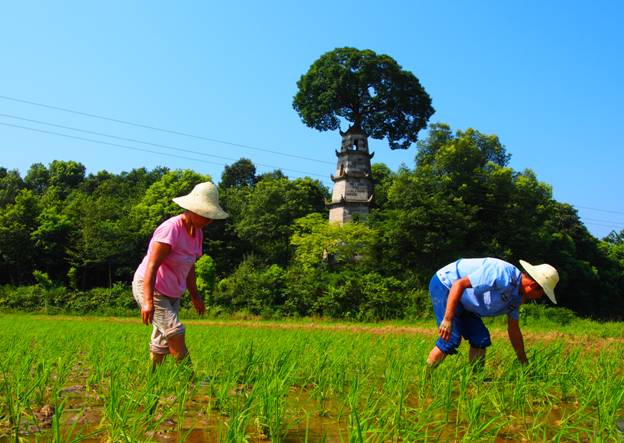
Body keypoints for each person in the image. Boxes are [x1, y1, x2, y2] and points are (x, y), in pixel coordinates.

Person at [132, 182, 229, 368]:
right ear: (191, 210)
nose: (208, 220)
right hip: (153, 287)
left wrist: (195, 296)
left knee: (162, 340)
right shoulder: (171, 229)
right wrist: (147, 301)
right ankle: (190, 383)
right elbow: (152, 265)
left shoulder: (197, 233)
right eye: (204, 215)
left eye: (210, 216)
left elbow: (189, 267)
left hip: (172, 292)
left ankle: (152, 380)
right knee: (175, 333)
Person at [426, 257, 559, 368]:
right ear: (534, 286)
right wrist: (448, 319)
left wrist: (523, 361)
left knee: (480, 338)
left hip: (466, 301)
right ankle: (425, 380)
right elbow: (458, 284)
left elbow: (514, 329)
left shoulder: (517, 297)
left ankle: (475, 381)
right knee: (450, 339)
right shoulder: (501, 273)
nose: (539, 298)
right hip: (446, 285)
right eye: (541, 294)